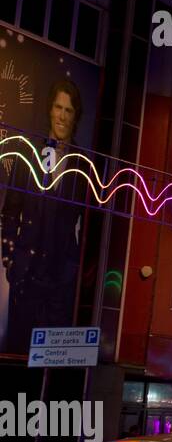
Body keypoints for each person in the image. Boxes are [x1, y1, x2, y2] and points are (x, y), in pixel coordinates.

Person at [1, 80, 87, 355]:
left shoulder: (83, 164)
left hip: (59, 279)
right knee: (16, 352)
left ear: (75, 117)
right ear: (50, 110)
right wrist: (10, 258)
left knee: (50, 361)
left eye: (69, 110)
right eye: (58, 107)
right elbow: (10, 211)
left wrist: (74, 268)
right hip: (25, 273)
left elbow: (88, 222)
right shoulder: (28, 152)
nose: (62, 115)